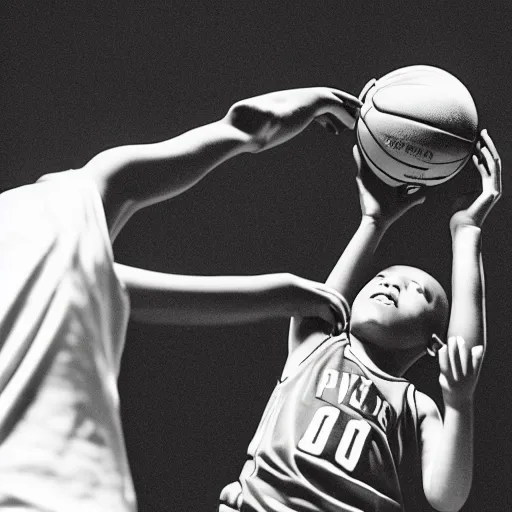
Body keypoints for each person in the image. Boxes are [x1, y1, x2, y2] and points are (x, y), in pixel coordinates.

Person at [0, 87, 362, 511]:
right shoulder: (61, 203)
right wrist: (322, 99)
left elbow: (132, 291)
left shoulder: (54, 236)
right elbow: (248, 122)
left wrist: (283, 293)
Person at [219, 129, 501, 512]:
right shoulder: (316, 346)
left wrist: (467, 231)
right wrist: (374, 221)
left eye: (417, 290)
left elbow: (446, 497)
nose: (390, 284)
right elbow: (326, 301)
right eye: (381, 278)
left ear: (435, 342)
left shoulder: (415, 406)